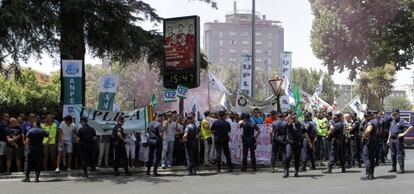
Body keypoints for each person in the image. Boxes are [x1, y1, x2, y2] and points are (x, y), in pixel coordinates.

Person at [387, 109, 413, 174]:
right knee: (393, 154)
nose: (394, 115)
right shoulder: (393, 121)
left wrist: (403, 134)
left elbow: (411, 127)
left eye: (395, 114)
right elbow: (390, 130)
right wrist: (388, 139)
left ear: (398, 114)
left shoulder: (402, 121)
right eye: (393, 114)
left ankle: (401, 169)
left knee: (400, 154)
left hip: (398, 140)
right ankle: (394, 167)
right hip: (392, 140)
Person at [283, 113, 303, 178]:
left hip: (298, 143)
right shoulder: (290, 124)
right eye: (293, 117)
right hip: (290, 143)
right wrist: (289, 119)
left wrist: (309, 141)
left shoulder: (300, 124)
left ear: (297, 117)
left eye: (295, 117)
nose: (294, 118)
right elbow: (287, 124)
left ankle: (296, 171)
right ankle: (286, 171)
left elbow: (304, 132)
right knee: (288, 157)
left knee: (297, 158)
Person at [360, 111, 378, 180]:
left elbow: (368, 130)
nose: (365, 117)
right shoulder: (372, 121)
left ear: (371, 116)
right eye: (365, 116)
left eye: (367, 116)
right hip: (372, 141)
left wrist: (363, 137)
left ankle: (368, 173)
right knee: (371, 158)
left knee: (366, 157)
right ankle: (371, 174)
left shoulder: (371, 122)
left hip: (368, 142)